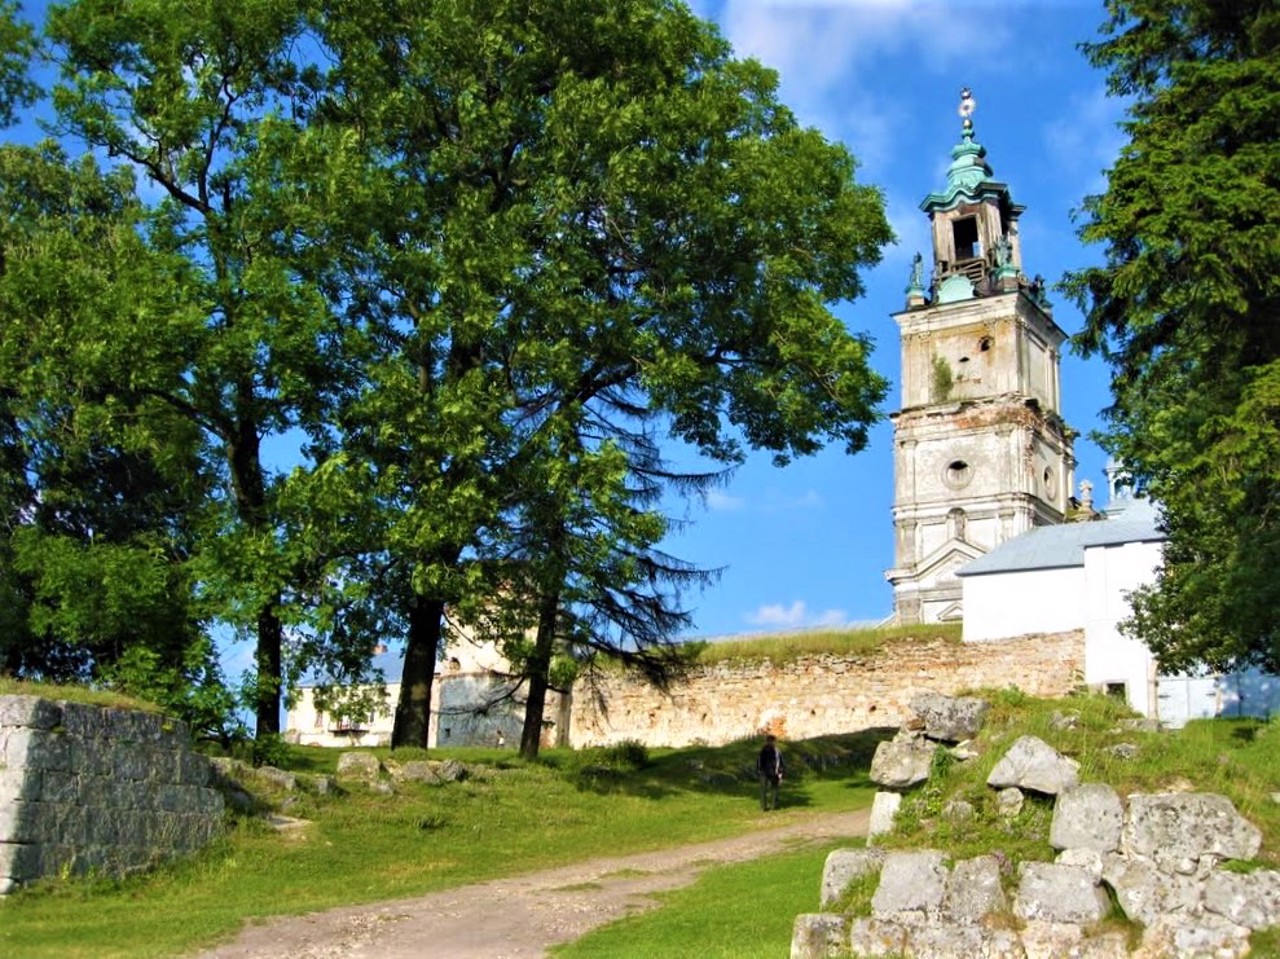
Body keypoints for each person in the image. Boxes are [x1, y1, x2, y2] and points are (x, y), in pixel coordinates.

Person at [756, 734, 784, 811]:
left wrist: (780, 772)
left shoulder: (773, 750)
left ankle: (769, 806)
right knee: (767, 788)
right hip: (767, 772)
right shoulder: (765, 750)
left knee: (770, 788)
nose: (770, 742)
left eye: (771, 741)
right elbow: (759, 761)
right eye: (770, 741)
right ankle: (765, 806)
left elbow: (780, 762)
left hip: (770, 772)